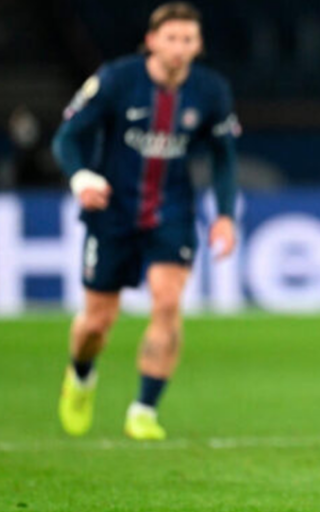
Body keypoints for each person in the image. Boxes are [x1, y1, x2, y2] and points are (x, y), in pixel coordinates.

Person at [52, 2, 240, 441]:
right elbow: (67, 137)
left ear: (198, 45)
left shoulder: (210, 90)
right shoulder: (116, 79)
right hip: (112, 211)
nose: (179, 48)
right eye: (171, 38)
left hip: (172, 211)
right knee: (97, 323)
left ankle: (144, 409)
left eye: (188, 39)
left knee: (168, 302)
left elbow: (224, 158)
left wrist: (225, 215)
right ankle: (80, 376)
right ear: (152, 41)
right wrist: (80, 177)